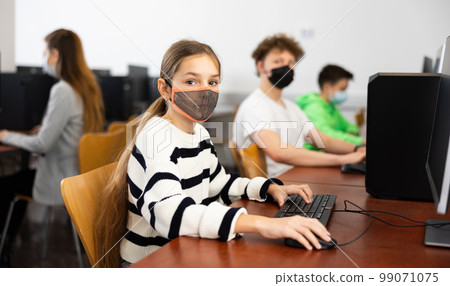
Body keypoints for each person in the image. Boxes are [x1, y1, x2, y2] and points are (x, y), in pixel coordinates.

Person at [94, 40, 332, 268]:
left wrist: (267, 188)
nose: (204, 91)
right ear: (165, 89)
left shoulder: (199, 133)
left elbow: (217, 185)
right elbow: (169, 213)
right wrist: (262, 224)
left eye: (213, 82)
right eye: (191, 82)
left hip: (182, 250)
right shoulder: (156, 136)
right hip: (151, 262)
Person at [0, 29, 105, 259]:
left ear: (55, 54)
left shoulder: (63, 90)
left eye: (45, 52)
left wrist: (5, 135)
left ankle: (4, 249)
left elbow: (41, 145)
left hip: (60, 182)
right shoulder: (87, 88)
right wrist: (46, 127)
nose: (44, 57)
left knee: (6, 186)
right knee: (18, 180)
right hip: (78, 176)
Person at [232, 33, 365, 177]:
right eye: (278, 61)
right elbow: (279, 152)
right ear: (261, 66)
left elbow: (323, 140)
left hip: (299, 177)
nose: (286, 67)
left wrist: (358, 149)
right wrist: (341, 160)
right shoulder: (254, 105)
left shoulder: (292, 108)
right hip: (277, 187)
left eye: (291, 63)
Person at [296, 65, 364, 149]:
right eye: (342, 89)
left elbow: (349, 126)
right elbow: (327, 137)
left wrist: (351, 135)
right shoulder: (313, 108)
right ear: (327, 87)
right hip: (316, 156)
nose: (344, 93)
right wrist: (359, 141)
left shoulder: (331, 107)